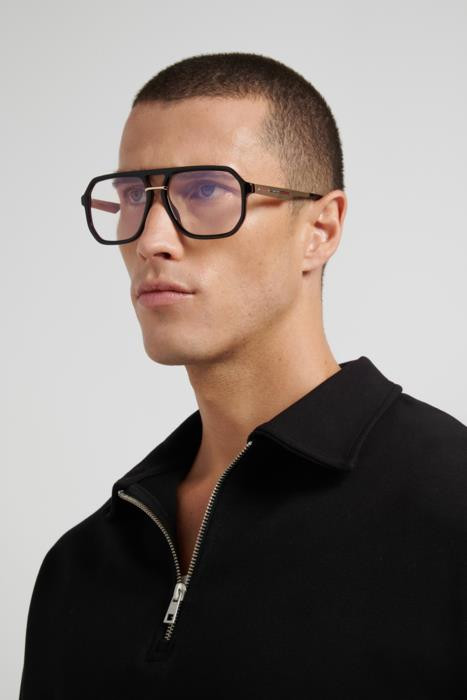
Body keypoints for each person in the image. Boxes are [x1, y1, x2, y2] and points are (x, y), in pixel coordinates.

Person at [19, 51, 467, 699]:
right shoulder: (80, 567)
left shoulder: (449, 507)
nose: (150, 240)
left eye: (205, 191)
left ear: (320, 228)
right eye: (132, 196)